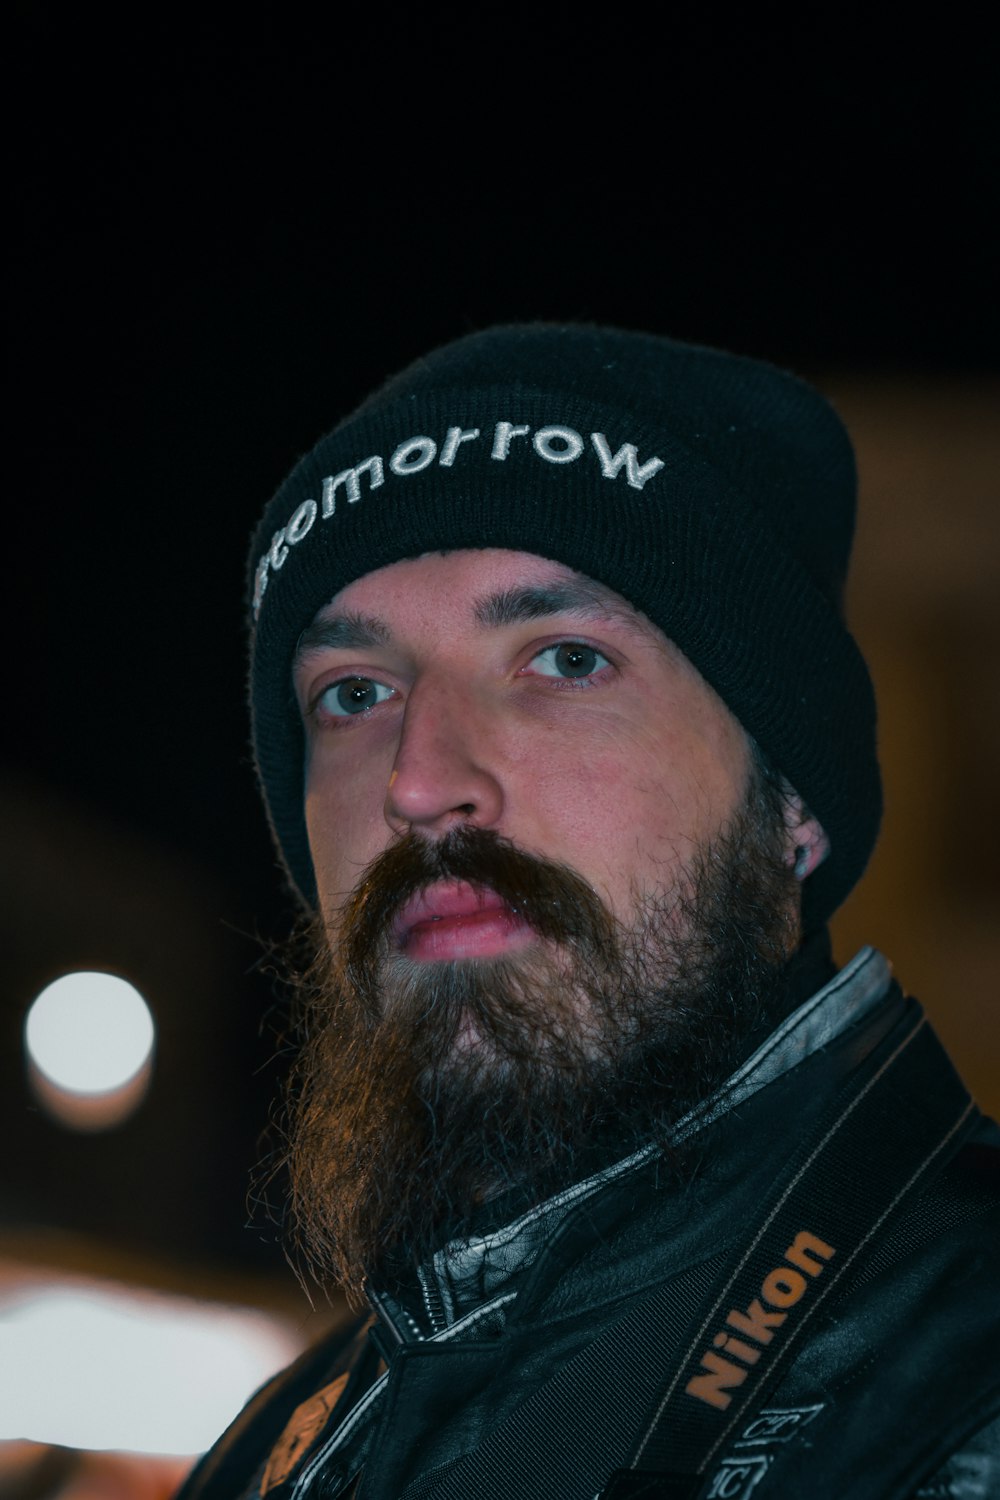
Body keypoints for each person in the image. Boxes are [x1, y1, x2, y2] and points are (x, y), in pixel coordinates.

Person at [179, 326, 999, 1500]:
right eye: (353, 694)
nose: (418, 778)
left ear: (793, 802)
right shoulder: (278, 1453)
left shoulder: (961, 1379)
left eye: (564, 661)